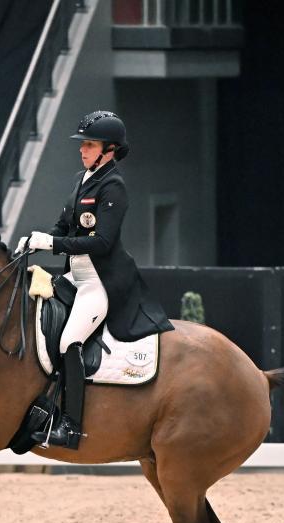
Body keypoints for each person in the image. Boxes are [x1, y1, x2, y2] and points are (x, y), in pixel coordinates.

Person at [14, 110, 174, 450]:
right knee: (40, 326)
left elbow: (102, 242)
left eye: (89, 144)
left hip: (100, 282)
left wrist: (52, 244)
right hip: (74, 275)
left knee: (68, 341)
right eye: (83, 144)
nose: (82, 150)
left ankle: (70, 427)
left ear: (109, 149)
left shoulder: (114, 186)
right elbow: (64, 226)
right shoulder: (82, 180)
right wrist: (37, 239)